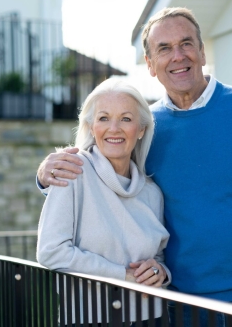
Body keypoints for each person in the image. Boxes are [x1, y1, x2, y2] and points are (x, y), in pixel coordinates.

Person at [37, 7, 232, 326]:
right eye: (164, 48)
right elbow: (105, 174)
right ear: (149, 64)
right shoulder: (143, 127)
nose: (178, 56)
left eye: (186, 43)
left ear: (202, 52)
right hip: (177, 305)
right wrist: (45, 174)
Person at [36, 78, 171, 326]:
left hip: (149, 317)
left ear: (141, 130)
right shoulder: (73, 171)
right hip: (90, 318)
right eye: (104, 118)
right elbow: (51, 252)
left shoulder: (153, 192)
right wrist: (122, 276)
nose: (114, 128)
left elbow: (160, 257)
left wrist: (160, 272)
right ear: (91, 126)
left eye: (126, 119)